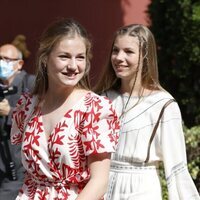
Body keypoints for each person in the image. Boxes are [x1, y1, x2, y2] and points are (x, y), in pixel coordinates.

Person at [10, 18, 120, 200]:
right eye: (64, 56)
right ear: (45, 58)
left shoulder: (94, 109)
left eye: (80, 57)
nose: (73, 66)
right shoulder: (27, 105)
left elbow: (100, 182)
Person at [94, 24, 200, 199]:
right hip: (102, 187)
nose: (119, 57)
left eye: (128, 51)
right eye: (115, 50)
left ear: (145, 56)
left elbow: (177, 167)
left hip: (141, 187)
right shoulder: (102, 99)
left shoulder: (163, 104)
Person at [0, 43, 35, 199]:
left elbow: (40, 117)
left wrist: (10, 112)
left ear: (19, 64)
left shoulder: (31, 84)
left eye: (6, 59)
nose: (1, 63)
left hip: (18, 166)